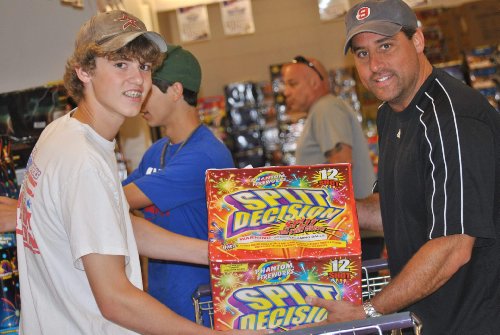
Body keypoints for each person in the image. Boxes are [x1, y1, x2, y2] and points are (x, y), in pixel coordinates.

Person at [14, 10, 257, 335]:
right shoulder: (83, 161)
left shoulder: (63, 130)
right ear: (84, 71)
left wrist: (216, 253)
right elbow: (116, 300)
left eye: (143, 66)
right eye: (120, 64)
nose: (137, 79)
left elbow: (111, 224)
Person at [306, 0, 500, 333]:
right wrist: (315, 215)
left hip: (475, 320)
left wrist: (368, 311)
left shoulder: (454, 118)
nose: (375, 65)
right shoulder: (390, 113)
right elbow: (393, 207)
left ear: (418, 41)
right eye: (362, 53)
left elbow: (454, 245)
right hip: (429, 318)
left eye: (386, 46)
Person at [122, 45, 234, 324]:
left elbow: (116, 200)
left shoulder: (205, 155)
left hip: (203, 309)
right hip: (164, 306)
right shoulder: (156, 151)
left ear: (175, 91)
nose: (140, 98)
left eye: (148, 89)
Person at [281, 56, 384, 260]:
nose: (286, 92)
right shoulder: (324, 110)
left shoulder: (325, 108)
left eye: (292, 84)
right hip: (351, 227)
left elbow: (341, 166)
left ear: (314, 82)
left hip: (349, 230)